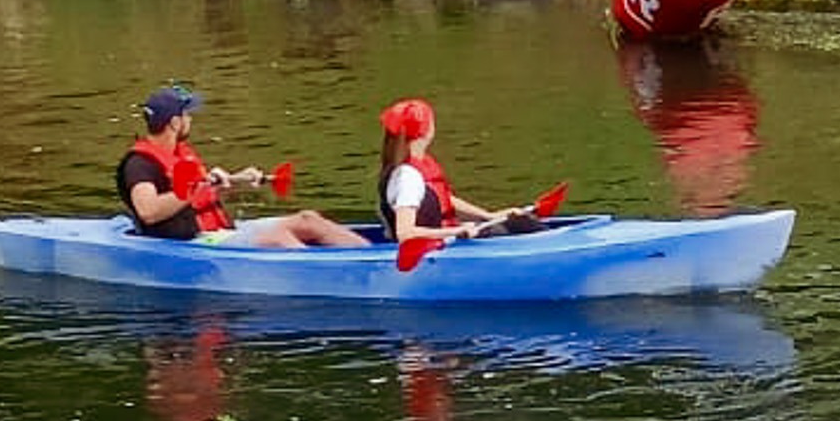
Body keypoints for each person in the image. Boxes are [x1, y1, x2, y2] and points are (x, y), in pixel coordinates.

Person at [118, 86, 366, 249]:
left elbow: (200, 195)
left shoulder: (179, 153)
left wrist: (237, 181)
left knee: (308, 219)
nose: (190, 120)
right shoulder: (139, 165)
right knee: (277, 237)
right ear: (174, 122)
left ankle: (367, 257)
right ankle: (327, 274)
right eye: (187, 115)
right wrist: (196, 187)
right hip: (194, 243)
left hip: (218, 232)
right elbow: (148, 211)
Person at [375, 96, 542, 244]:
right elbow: (405, 233)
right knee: (524, 228)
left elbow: (442, 200)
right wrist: (456, 231)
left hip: (448, 237)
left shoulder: (419, 166)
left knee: (521, 222)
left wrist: (489, 216)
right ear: (425, 131)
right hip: (439, 248)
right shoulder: (407, 177)